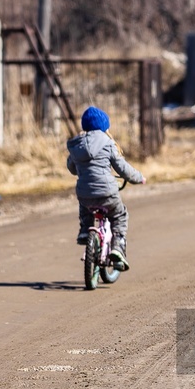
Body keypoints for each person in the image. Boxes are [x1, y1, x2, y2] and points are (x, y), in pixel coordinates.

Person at [66, 106, 145, 271]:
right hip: (107, 192)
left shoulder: (77, 145)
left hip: (84, 193)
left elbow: (72, 168)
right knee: (119, 215)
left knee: (85, 205)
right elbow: (123, 169)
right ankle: (117, 246)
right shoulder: (108, 143)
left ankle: (85, 231)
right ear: (104, 126)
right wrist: (139, 178)